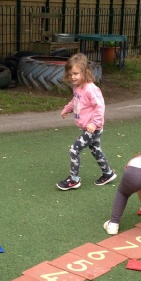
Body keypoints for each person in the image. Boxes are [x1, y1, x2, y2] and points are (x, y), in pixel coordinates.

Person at [56, 53, 117, 190]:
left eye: (76, 74)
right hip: (88, 127)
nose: (72, 77)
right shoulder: (77, 87)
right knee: (95, 149)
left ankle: (74, 180)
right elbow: (76, 100)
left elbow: (100, 106)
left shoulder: (90, 89)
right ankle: (107, 173)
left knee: (74, 149)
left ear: (85, 72)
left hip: (93, 128)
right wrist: (68, 108)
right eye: (70, 74)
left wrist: (94, 123)